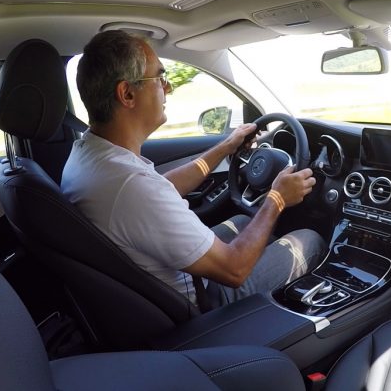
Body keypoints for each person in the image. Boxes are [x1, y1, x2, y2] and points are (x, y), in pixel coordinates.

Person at [61, 30, 325, 308]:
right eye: (159, 79)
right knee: (309, 240)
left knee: (245, 222)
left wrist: (225, 147)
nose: (168, 88)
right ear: (127, 93)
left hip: (158, 284)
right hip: (204, 301)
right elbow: (234, 269)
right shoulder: (129, 185)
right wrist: (277, 198)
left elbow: (161, 189)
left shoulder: (90, 154)